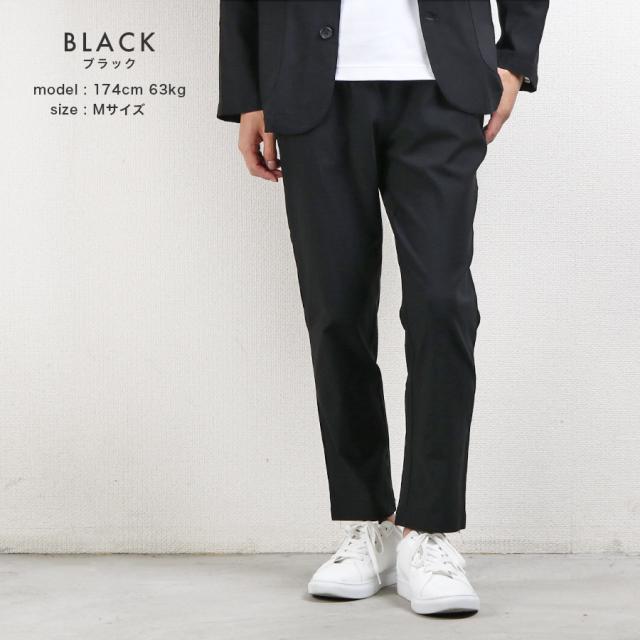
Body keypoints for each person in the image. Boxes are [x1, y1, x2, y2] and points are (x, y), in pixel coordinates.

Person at [218, 0, 548, 616]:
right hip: (311, 86)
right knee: (335, 309)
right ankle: (366, 519)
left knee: (442, 304)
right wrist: (248, 94)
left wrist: (516, 58)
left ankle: (430, 530)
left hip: (442, 86)